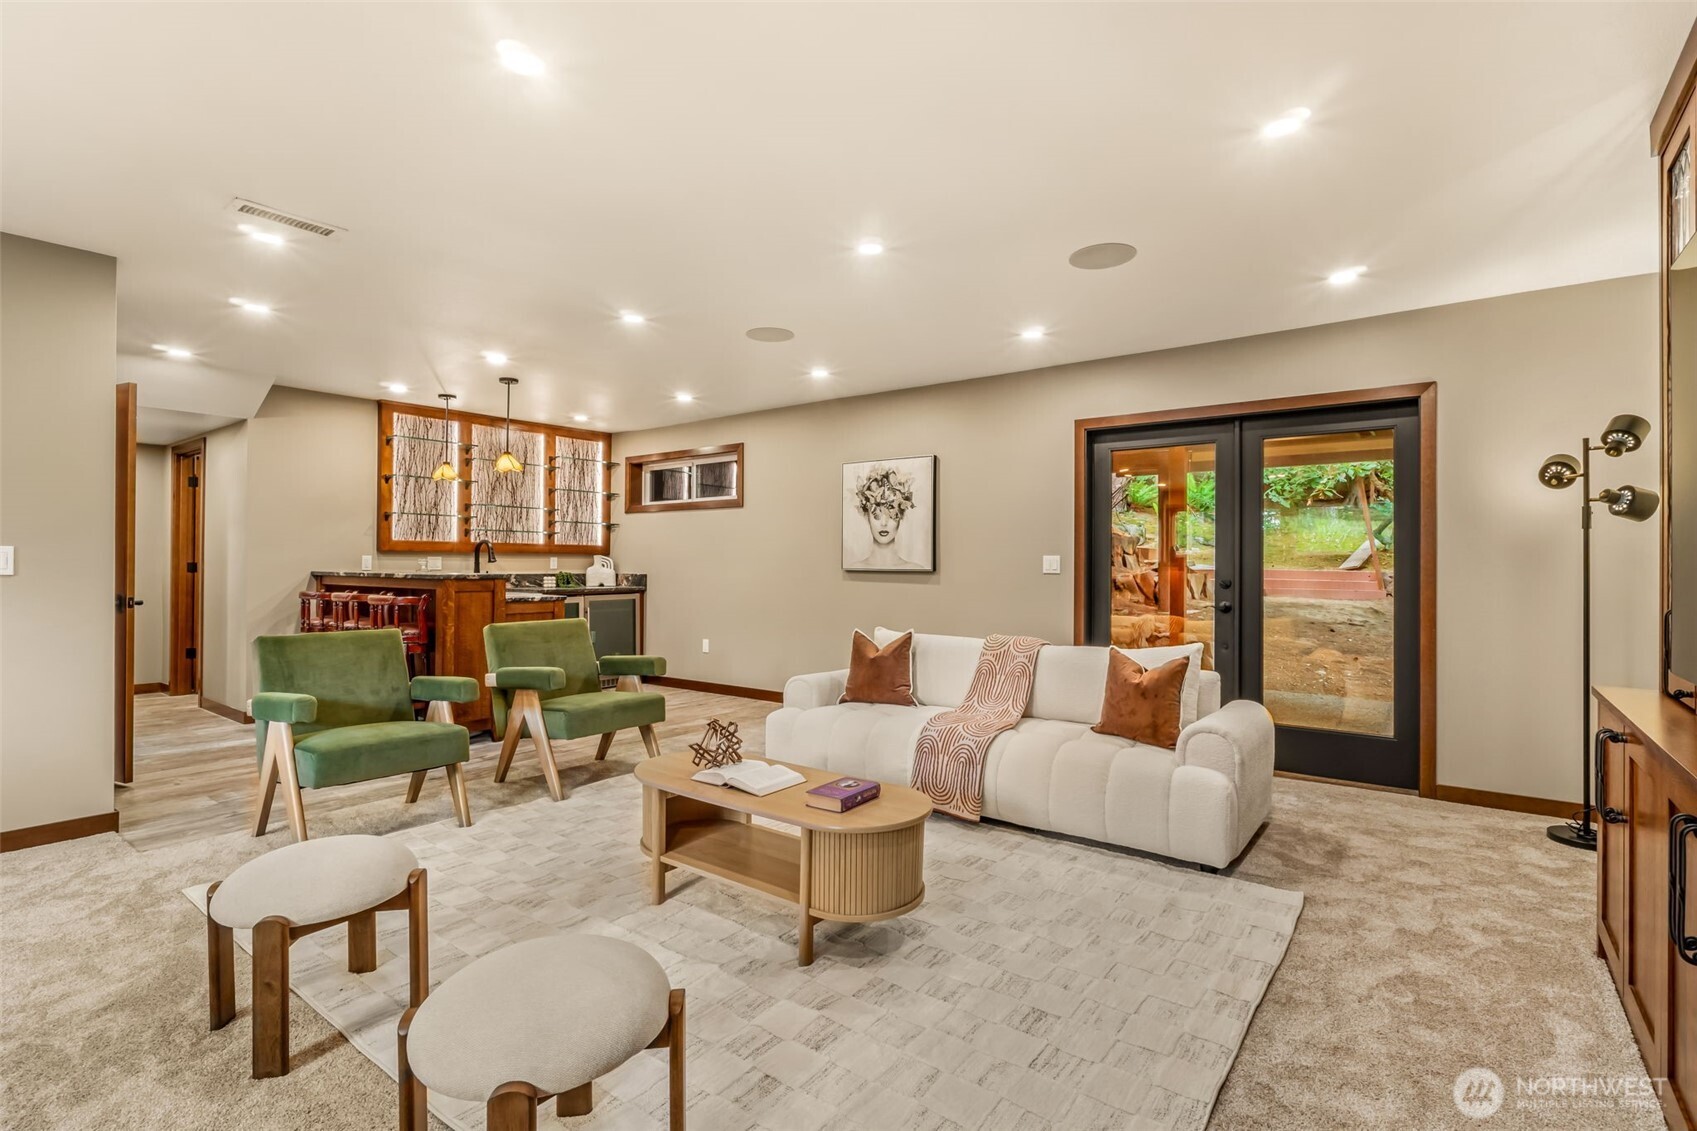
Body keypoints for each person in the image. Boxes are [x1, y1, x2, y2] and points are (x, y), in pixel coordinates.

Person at [849, 464, 923, 569]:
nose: (884, 523)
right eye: (876, 514)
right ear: (867, 516)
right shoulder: (853, 568)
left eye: (891, 514)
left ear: (901, 515)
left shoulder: (916, 569)